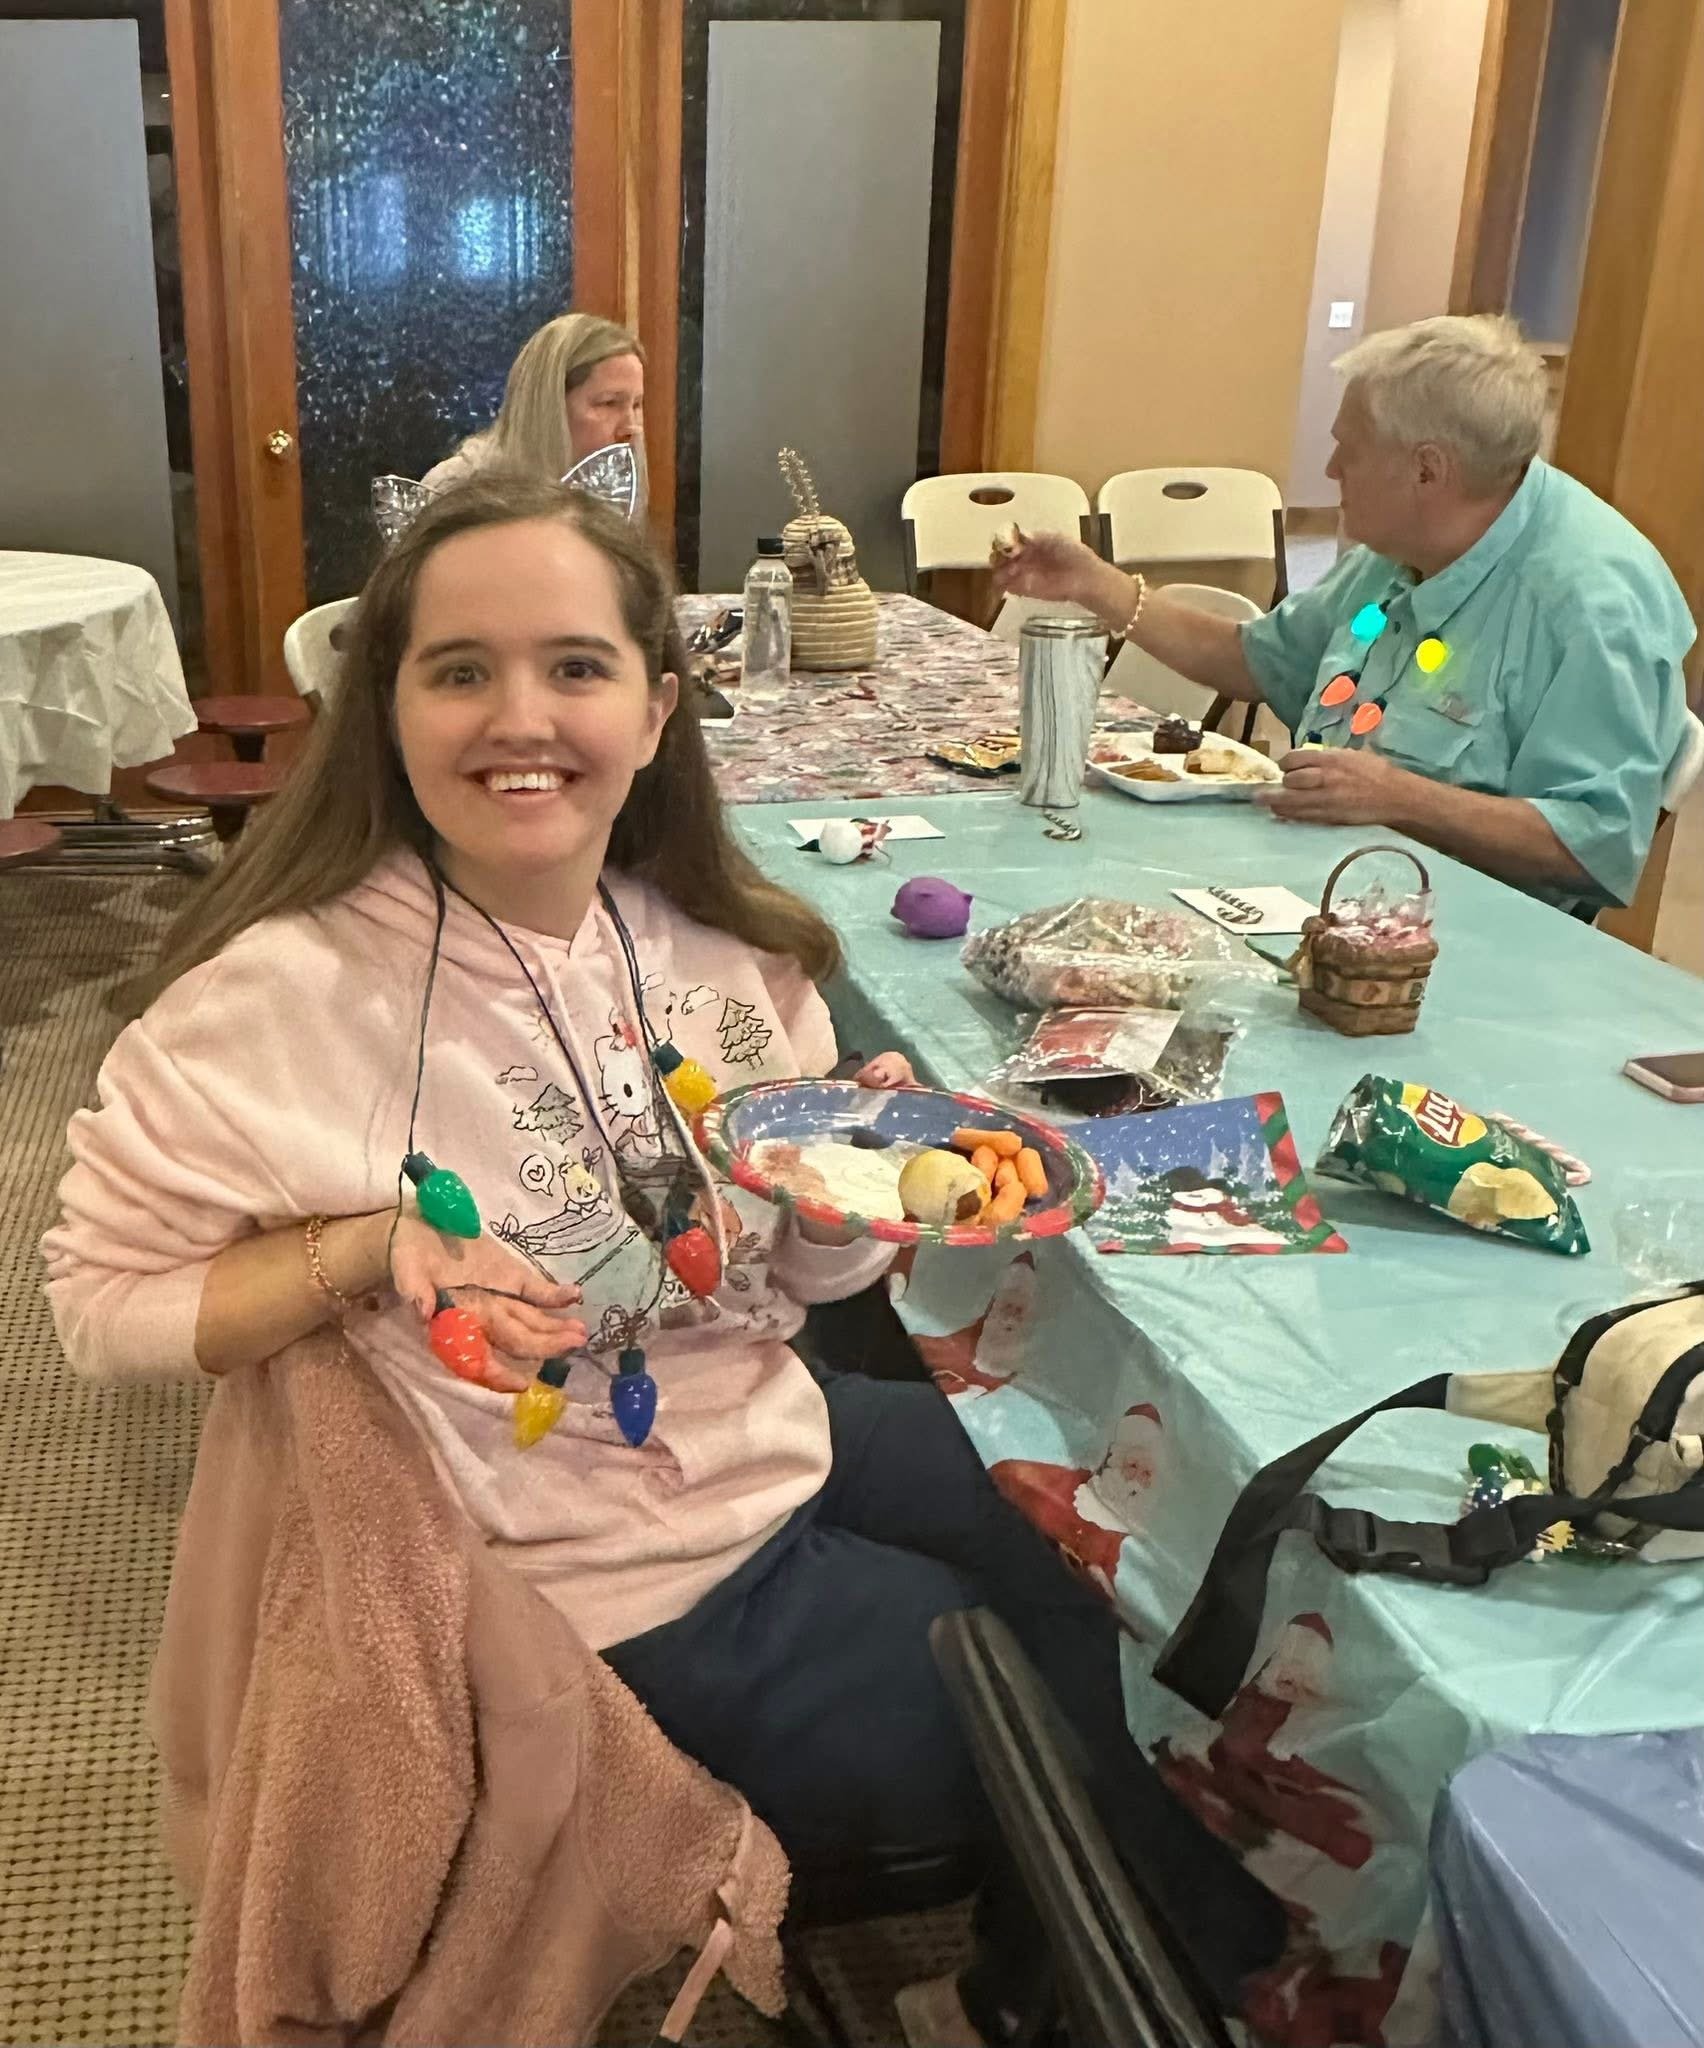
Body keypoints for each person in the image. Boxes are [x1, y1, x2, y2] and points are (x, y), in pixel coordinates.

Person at [42, 476, 1281, 2048]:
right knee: (1082, 1731)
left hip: (766, 1426)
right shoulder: (273, 1001)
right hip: (597, 1564)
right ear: (391, 709)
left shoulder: (730, 951)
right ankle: (1180, 1991)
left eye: (575, 667)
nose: (521, 718)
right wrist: (367, 1248)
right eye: (458, 670)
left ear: (655, 705)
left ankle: (1032, 1981)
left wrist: (846, 1200)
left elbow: (806, 1299)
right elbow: (99, 1305)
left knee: (1123, 1552)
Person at [995, 314, 1696, 911]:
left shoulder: (1591, 604)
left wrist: (1403, 798)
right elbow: (1255, 661)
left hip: (1457, 930)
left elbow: (1595, 845)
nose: (1331, 470)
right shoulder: (1400, 551)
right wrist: (1094, 583)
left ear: (1427, 469)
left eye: (1349, 449)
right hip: (1316, 886)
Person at [420, 311, 644, 493]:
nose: (631, 427)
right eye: (609, 403)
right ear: (548, 405)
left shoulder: (613, 495)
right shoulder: (455, 489)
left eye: (636, 405)